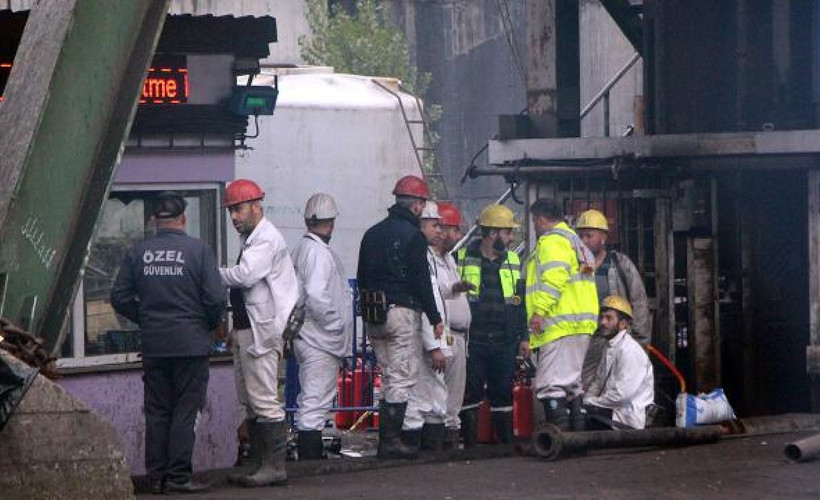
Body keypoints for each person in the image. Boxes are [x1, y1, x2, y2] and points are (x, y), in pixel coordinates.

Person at [111, 192, 226, 494]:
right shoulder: (199, 251)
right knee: (185, 411)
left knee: (158, 411)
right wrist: (207, 326)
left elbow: (119, 298)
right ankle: (178, 477)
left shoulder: (138, 252)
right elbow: (216, 299)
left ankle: (156, 478)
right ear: (184, 219)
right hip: (191, 345)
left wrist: (147, 318)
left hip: (155, 345)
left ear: (154, 220)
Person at [357, 175, 444, 459]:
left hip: (374, 315)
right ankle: (391, 441)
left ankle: (388, 440)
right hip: (401, 314)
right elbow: (420, 281)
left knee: (389, 375)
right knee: (402, 377)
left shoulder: (371, 234)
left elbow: (362, 277)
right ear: (417, 205)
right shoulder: (413, 236)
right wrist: (434, 317)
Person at [220, 179, 299, 487]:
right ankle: (258, 463)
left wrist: (210, 273)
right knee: (251, 400)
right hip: (247, 329)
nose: (234, 217)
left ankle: (273, 467)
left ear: (256, 206)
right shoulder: (254, 238)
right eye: (230, 212)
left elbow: (246, 275)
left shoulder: (266, 239)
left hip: (261, 333)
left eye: (237, 209)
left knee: (264, 400)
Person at [456, 204, 527, 446]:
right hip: (474, 339)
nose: (510, 238)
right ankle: (470, 445)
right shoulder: (461, 259)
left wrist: (524, 337)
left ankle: (505, 446)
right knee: (471, 391)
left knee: (502, 392)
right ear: (493, 233)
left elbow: (520, 303)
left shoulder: (513, 261)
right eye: (507, 232)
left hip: (504, 340)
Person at [526, 199, 599, 432]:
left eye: (534, 222)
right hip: (579, 325)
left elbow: (554, 279)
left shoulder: (552, 242)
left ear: (540, 219)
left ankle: (561, 440)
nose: (535, 227)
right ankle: (578, 440)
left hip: (559, 325)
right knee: (571, 384)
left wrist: (539, 311)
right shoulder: (576, 243)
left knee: (550, 384)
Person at [290, 193, 353, 460]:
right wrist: (335, 325)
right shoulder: (318, 253)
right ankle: (310, 460)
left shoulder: (303, 249)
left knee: (312, 399)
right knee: (315, 403)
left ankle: (309, 454)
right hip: (319, 340)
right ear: (332, 223)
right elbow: (317, 295)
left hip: (309, 337)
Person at [575, 209, 651, 389]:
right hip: (587, 339)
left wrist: (640, 340)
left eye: (589, 235)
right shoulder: (574, 266)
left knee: (618, 384)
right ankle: (590, 416)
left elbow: (639, 301)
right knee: (586, 385)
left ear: (603, 237)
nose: (584, 241)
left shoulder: (619, 263)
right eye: (581, 236)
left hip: (616, 337)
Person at [403, 201, 449, 452]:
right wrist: (434, 346)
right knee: (421, 395)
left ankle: (430, 449)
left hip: (435, 338)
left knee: (435, 396)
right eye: (434, 225)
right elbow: (424, 299)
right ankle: (416, 450)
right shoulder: (420, 254)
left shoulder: (428, 255)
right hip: (428, 340)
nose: (439, 231)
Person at [434, 201, 472, 449]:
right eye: (455, 230)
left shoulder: (449, 259)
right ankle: (441, 436)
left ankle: (450, 431)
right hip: (444, 333)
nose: (457, 236)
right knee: (440, 388)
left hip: (458, 335)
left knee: (455, 392)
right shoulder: (430, 260)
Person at [584, 295, 654, 429]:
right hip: (613, 410)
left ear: (623, 324)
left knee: (581, 417)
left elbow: (621, 395)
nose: (602, 322)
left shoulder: (630, 351)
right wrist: (586, 400)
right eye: (602, 317)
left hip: (628, 418)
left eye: (609, 318)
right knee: (577, 412)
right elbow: (598, 382)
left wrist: (591, 402)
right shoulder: (610, 346)